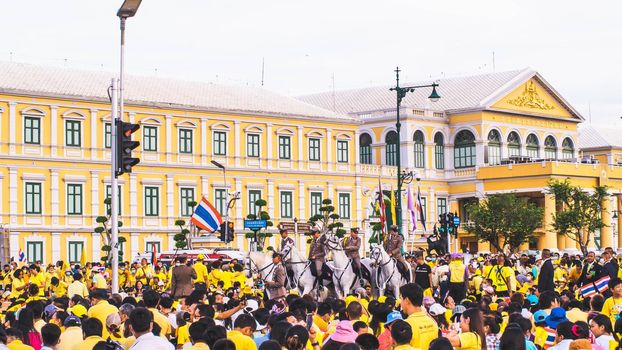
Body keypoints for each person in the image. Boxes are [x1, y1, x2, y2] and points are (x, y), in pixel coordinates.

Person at [399, 283, 438, 349]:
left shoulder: (405, 326)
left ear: (407, 300)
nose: (400, 303)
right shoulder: (433, 323)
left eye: (401, 299)